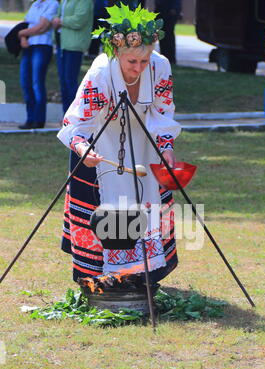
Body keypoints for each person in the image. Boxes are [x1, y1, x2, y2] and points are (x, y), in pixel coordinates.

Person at [57, 1, 181, 284]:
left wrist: (167, 148)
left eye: (144, 61)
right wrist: (82, 148)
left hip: (143, 141)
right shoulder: (101, 73)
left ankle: (144, 276)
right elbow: (76, 123)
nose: (138, 68)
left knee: (146, 199)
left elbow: (162, 113)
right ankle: (100, 278)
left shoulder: (159, 68)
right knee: (109, 207)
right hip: (100, 141)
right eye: (131, 62)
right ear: (117, 54)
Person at [17, 0, 59, 129]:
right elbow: (25, 24)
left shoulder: (53, 4)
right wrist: (23, 36)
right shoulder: (34, 4)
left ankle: (39, 119)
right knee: (25, 82)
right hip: (28, 46)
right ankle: (29, 119)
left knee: (37, 82)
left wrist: (22, 34)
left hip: (42, 46)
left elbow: (42, 27)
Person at [52, 0, 94, 114]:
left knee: (70, 81)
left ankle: (74, 116)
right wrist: (56, 20)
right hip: (62, 44)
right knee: (63, 82)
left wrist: (60, 21)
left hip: (74, 45)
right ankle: (65, 116)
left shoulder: (85, 2)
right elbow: (57, 15)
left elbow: (79, 20)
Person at [154, 0, 182, 65]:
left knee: (169, 35)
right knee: (161, 35)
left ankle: (171, 58)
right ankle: (164, 56)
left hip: (170, 11)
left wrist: (175, 8)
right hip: (161, 10)